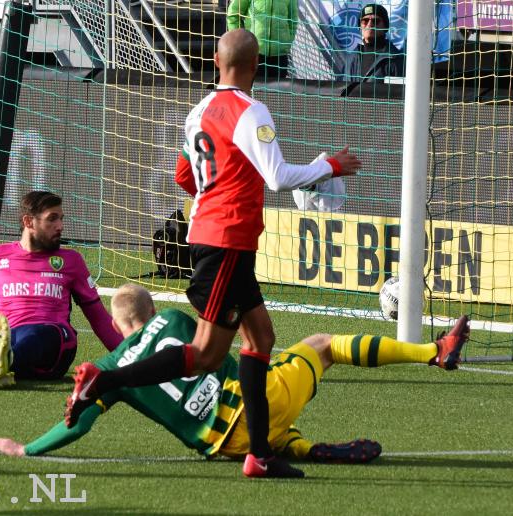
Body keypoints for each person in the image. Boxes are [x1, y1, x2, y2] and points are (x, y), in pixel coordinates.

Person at [64, 29, 362, 480]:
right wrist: (330, 166)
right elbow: (278, 177)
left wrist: (216, 190)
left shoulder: (199, 111)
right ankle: (103, 381)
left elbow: (185, 174)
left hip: (224, 240)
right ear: (255, 65)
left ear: (218, 63)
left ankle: (259, 456)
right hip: (224, 242)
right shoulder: (250, 110)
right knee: (204, 353)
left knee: (260, 338)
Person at [0, 284, 470, 463]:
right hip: (257, 408)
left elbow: (78, 425)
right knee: (321, 346)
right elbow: (220, 354)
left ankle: (296, 445)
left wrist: (24, 447)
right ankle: (433, 350)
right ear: (152, 308)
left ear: (117, 326)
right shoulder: (177, 319)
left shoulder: (112, 367)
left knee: (274, 394)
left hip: (223, 446)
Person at [0, 190, 123, 389]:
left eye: (61, 218)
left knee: (37, 334)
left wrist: (131, 356)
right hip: (9, 342)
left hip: (54, 344)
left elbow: (98, 317)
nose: (60, 226)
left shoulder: (72, 261)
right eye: (52, 219)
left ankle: (7, 360)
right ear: (28, 222)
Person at [227, 0, 298, 81]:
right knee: (253, 90)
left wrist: (287, 42)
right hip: (254, 53)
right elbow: (233, 15)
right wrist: (241, 40)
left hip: (279, 54)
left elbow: (293, 20)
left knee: (276, 91)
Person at [342, 3, 405, 81]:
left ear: (385, 26)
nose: (370, 24)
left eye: (376, 21)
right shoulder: (350, 59)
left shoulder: (395, 59)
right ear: (360, 26)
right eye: (365, 21)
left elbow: (399, 92)